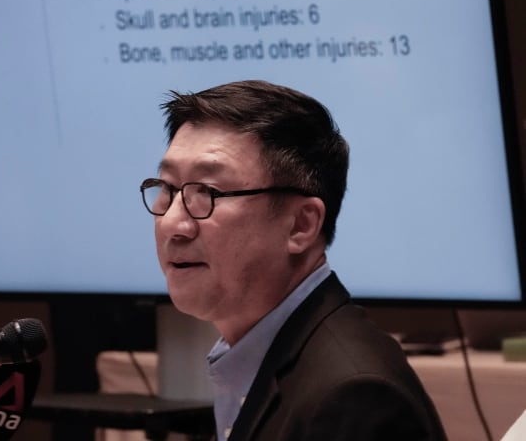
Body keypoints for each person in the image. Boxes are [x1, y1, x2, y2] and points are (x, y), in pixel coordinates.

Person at [139, 80, 447, 440]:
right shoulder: (266, 359)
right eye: (168, 188)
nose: (174, 223)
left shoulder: (353, 396)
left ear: (301, 225)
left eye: (207, 192)